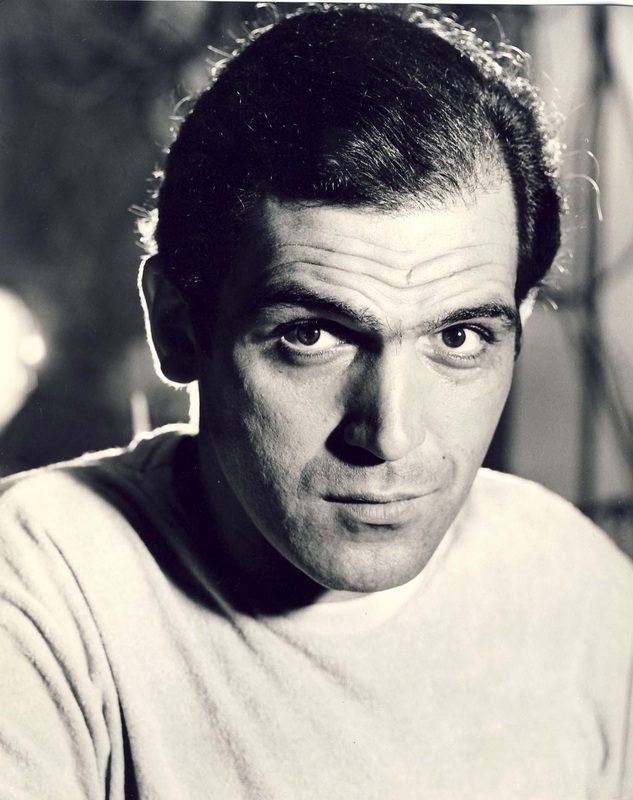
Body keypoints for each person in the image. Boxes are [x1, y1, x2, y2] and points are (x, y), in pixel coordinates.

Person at [1, 5, 631, 799]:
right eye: (311, 335)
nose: (390, 435)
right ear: (179, 326)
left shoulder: (578, 588)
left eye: (459, 337)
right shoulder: (38, 591)